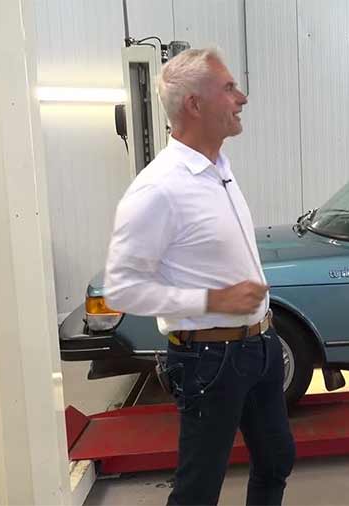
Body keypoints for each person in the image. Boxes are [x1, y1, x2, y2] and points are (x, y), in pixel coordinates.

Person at [104, 48, 295, 506]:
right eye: (229, 88)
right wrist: (210, 300)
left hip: (261, 344)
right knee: (199, 489)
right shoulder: (158, 189)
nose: (242, 97)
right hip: (209, 358)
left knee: (276, 461)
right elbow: (122, 288)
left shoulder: (219, 170)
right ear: (194, 104)